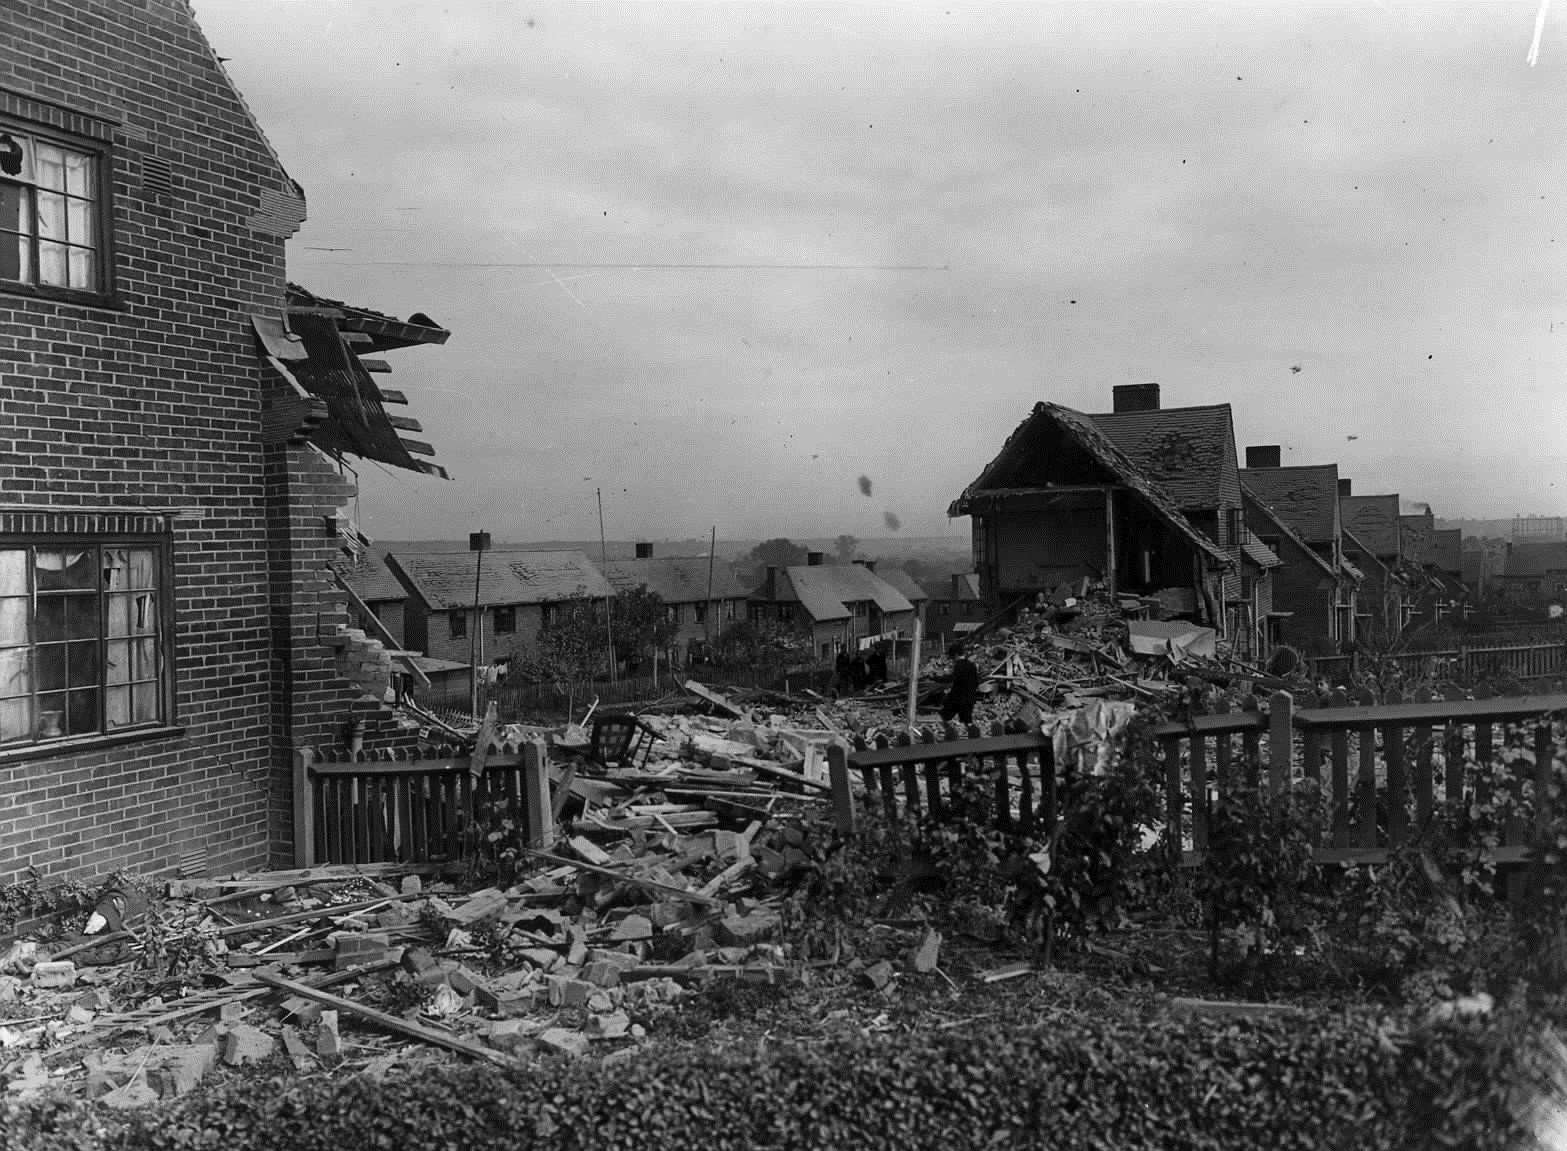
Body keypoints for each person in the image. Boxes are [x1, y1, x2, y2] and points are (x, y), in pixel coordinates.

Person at [941, 644, 980, 725]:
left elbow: (951, 679)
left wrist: (935, 678)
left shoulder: (959, 665)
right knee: (967, 721)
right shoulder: (971, 665)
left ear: (955, 655)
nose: (952, 659)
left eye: (952, 656)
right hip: (970, 698)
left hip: (957, 698)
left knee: (945, 715)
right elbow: (976, 682)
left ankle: (949, 733)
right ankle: (971, 734)